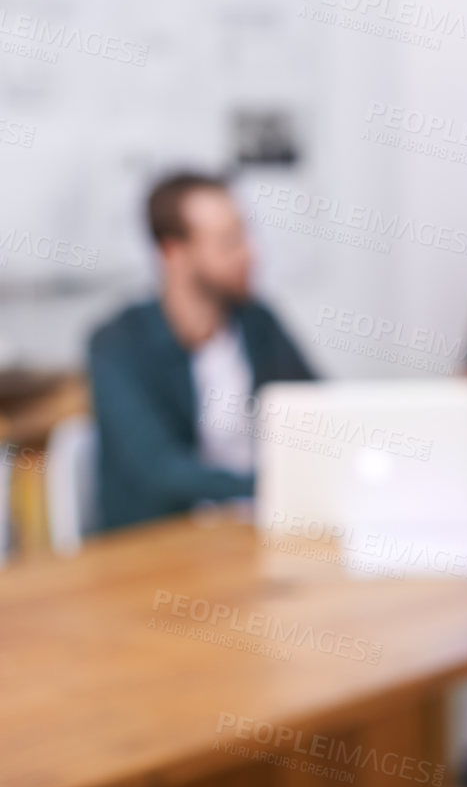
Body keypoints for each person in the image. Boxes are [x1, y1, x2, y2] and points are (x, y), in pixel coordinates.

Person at [88, 173, 316, 532]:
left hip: (256, 531)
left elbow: (319, 410)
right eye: (228, 242)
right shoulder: (117, 344)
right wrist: (272, 485)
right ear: (173, 252)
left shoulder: (258, 324)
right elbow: (160, 468)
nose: (249, 253)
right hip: (161, 546)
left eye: (245, 236)